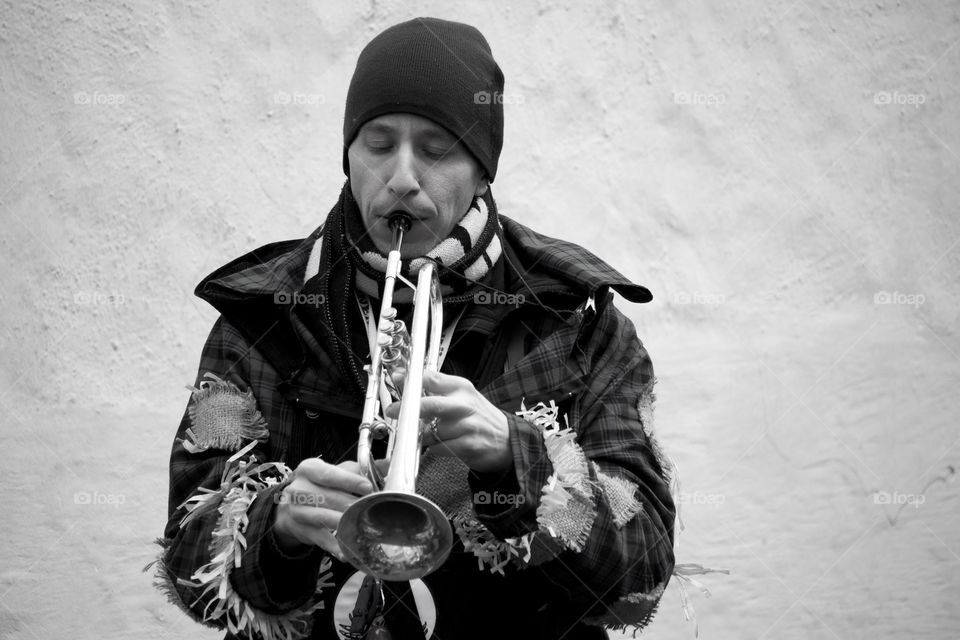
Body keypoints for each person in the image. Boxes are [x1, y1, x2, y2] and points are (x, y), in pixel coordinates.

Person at [154, 17, 676, 640]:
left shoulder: (577, 318)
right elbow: (189, 569)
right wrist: (276, 525)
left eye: (436, 149)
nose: (401, 177)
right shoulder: (263, 312)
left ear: (482, 170)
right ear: (349, 158)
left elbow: (643, 570)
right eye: (378, 144)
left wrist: (518, 460)